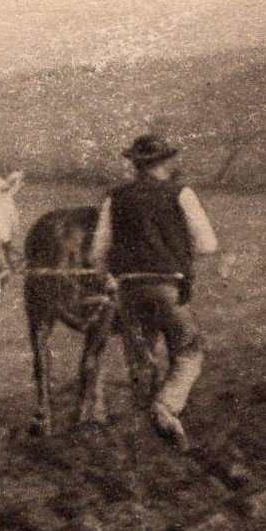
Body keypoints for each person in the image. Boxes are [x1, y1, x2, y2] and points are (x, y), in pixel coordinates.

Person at [88, 133, 221, 452]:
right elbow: (207, 244)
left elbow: (98, 251)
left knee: (140, 358)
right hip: (168, 288)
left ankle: (143, 437)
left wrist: (108, 275)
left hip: (129, 291)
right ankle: (166, 406)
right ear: (165, 162)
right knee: (190, 350)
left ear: (135, 164)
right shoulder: (181, 193)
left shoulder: (114, 197)